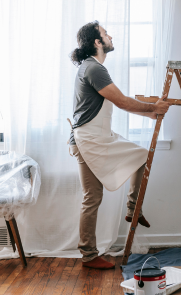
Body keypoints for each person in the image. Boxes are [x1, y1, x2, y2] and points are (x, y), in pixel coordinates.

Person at [68, 21, 171, 270]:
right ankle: (90, 255)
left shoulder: (92, 67)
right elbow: (122, 101)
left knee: (139, 157)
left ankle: (132, 207)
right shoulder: (93, 69)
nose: (110, 36)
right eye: (105, 34)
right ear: (97, 42)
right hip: (89, 139)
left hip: (97, 135)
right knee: (92, 197)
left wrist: (150, 113)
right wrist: (153, 109)